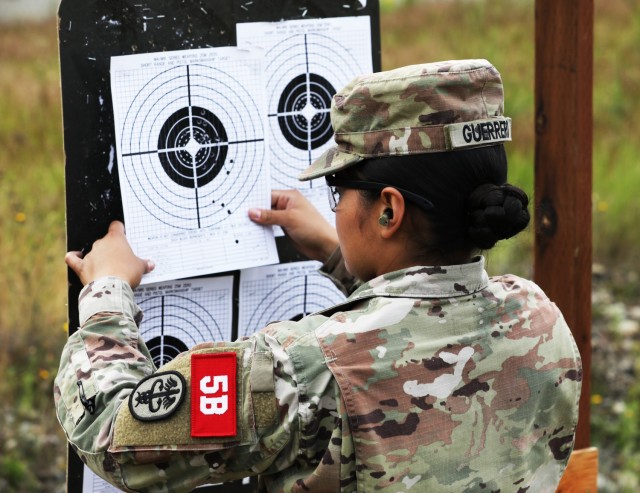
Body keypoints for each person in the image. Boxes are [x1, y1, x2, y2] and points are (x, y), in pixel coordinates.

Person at [55, 59, 582, 493]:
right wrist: (342, 255)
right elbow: (420, 330)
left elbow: (112, 434)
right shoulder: (539, 320)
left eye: (339, 193)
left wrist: (107, 292)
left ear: (388, 211)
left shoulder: (298, 367)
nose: (334, 210)